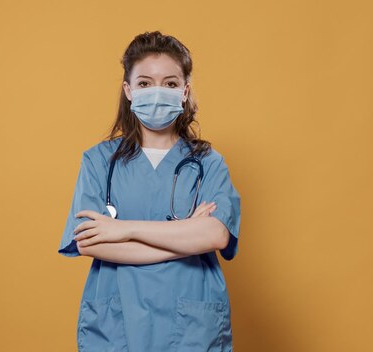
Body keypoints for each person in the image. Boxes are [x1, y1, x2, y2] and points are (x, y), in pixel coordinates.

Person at [58, 30, 242, 352]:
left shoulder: (208, 163)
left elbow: (216, 236)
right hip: (118, 324)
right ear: (129, 91)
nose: (157, 92)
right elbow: (89, 240)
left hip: (191, 327)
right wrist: (185, 236)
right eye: (145, 83)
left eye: (170, 84)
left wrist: (121, 229)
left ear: (185, 91)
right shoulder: (99, 161)